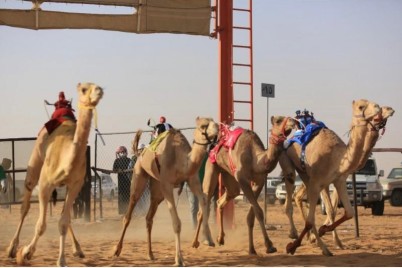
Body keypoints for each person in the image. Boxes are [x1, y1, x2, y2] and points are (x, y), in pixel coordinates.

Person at [113, 145, 132, 215]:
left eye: (121, 152)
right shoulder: (120, 160)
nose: (121, 154)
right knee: (124, 196)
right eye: (120, 153)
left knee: (125, 196)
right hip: (124, 181)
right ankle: (124, 211)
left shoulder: (127, 160)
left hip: (125, 181)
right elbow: (114, 169)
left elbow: (114, 169)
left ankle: (125, 211)